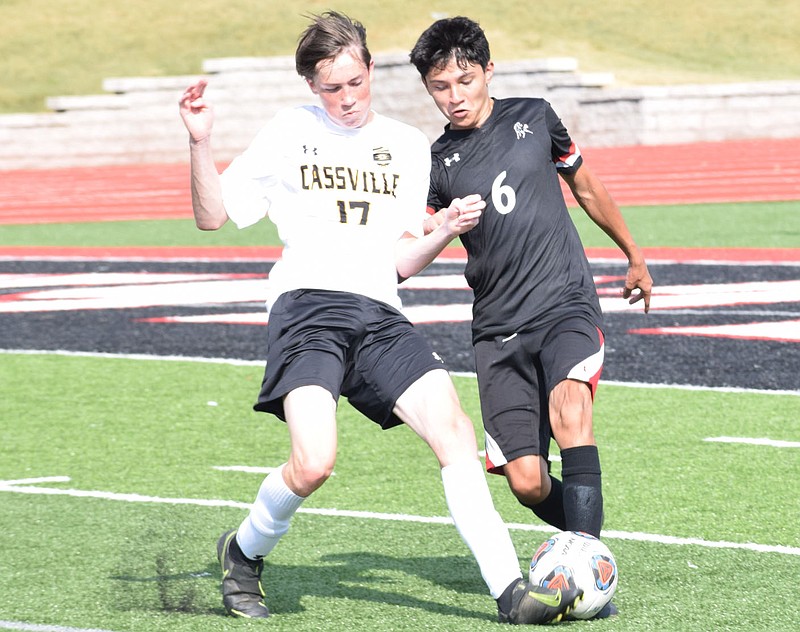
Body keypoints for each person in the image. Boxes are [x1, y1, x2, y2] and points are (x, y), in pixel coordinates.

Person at [178, 11, 581, 624]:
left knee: (456, 435)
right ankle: (243, 551)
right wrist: (200, 141)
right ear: (312, 86)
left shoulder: (406, 145)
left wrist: (442, 229)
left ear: (371, 70)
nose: (346, 98)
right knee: (313, 463)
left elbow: (399, 264)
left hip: (380, 311)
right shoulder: (290, 131)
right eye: (331, 88)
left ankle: (510, 591)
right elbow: (212, 216)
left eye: (355, 82)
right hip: (308, 308)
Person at [410, 16, 653, 617]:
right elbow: (416, 233)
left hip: (564, 301)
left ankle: (589, 569)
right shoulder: (435, 162)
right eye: (441, 86)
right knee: (525, 481)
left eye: (465, 80)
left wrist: (633, 253)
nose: (455, 95)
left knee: (571, 410)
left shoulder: (536, 117)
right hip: (496, 330)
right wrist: (442, 226)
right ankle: (583, 535)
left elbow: (586, 186)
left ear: (488, 71)